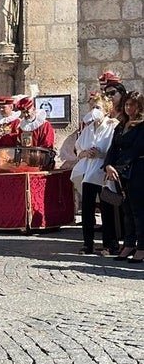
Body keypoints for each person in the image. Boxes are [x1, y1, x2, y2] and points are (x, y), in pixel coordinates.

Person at [71, 94, 118, 255]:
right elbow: (78, 150)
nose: (94, 110)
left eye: (97, 107)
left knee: (107, 210)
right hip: (89, 172)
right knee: (87, 210)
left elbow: (115, 151)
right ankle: (87, 243)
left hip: (104, 173)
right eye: (92, 107)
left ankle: (109, 245)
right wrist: (86, 153)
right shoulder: (88, 129)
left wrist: (101, 155)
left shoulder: (112, 126)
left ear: (106, 110)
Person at [104, 92, 144, 263]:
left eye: (132, 105)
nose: (129, 108)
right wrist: (108, 166)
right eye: (127, 104)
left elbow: (135, 150)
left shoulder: (142, 126)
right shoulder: (121, 125)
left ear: (140, 106)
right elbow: (112, 148)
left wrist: (117, 169)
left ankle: (142, 247)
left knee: (138, 211)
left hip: (138, 171)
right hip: (121, 172)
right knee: (126, 210)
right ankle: (128, 243)